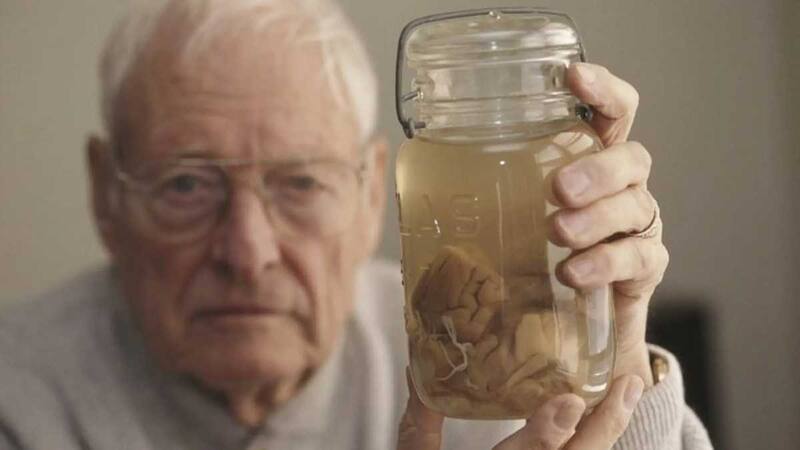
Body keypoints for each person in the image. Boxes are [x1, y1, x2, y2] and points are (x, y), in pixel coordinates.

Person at [0, 1, 713, 449]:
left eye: (301, 182)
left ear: (377, 190)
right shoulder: (20, 399)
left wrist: (614, 347)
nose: (248, 253)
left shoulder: (487, 353)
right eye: (187, 184)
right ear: (104, 192)